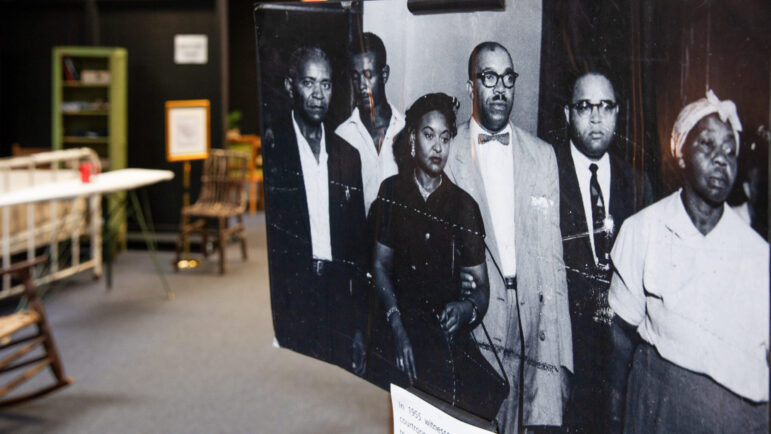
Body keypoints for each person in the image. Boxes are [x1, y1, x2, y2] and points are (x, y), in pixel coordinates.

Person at [607, 90, 769, 433]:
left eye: (729, 151)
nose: (721, 160)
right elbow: (619, 336)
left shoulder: (757, 254)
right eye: (707, 146)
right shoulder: (644, 230)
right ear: (679, 153)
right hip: (661, 409)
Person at [445, 41, 572, 432]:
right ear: (471, 86)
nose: (500, 88)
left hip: (531, 323)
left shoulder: (543, 155)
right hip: (477, 322)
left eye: (508, 78)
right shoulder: (447, 153)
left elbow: (554, 262)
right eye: (488, 77)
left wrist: (562, 359)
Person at [371, 93, 506, 421]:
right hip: (398, 327)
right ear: (413, 139)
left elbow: (481, 290)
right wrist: (398, 327)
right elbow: (380, 266)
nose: (437, 147)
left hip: (443, 339)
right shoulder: (391, 194)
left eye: (445, 138)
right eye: (428, 135)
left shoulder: (464, 207)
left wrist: (466, 308)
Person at [555, 71, 652, 433]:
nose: (596, 118)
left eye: (605, 107)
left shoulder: (639, 184)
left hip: (619, 360)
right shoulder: (548, 171)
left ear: (617, 114)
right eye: (585, 106)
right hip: (567, 354)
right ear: (567, 114)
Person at [262, 46, 367, 374]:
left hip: (336, 298)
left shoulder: (347, 156)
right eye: (309, 83)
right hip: (291, 296)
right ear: (291, 86)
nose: (318, 94)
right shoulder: (273, 152)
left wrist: (361, 327)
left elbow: (358, 249)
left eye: (326, 84)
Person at [335, 32, 405, 215]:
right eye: (355, 77)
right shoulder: (342, 136)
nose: (361, 86)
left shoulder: (406, 130)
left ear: (384, 74)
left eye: (368, 75)